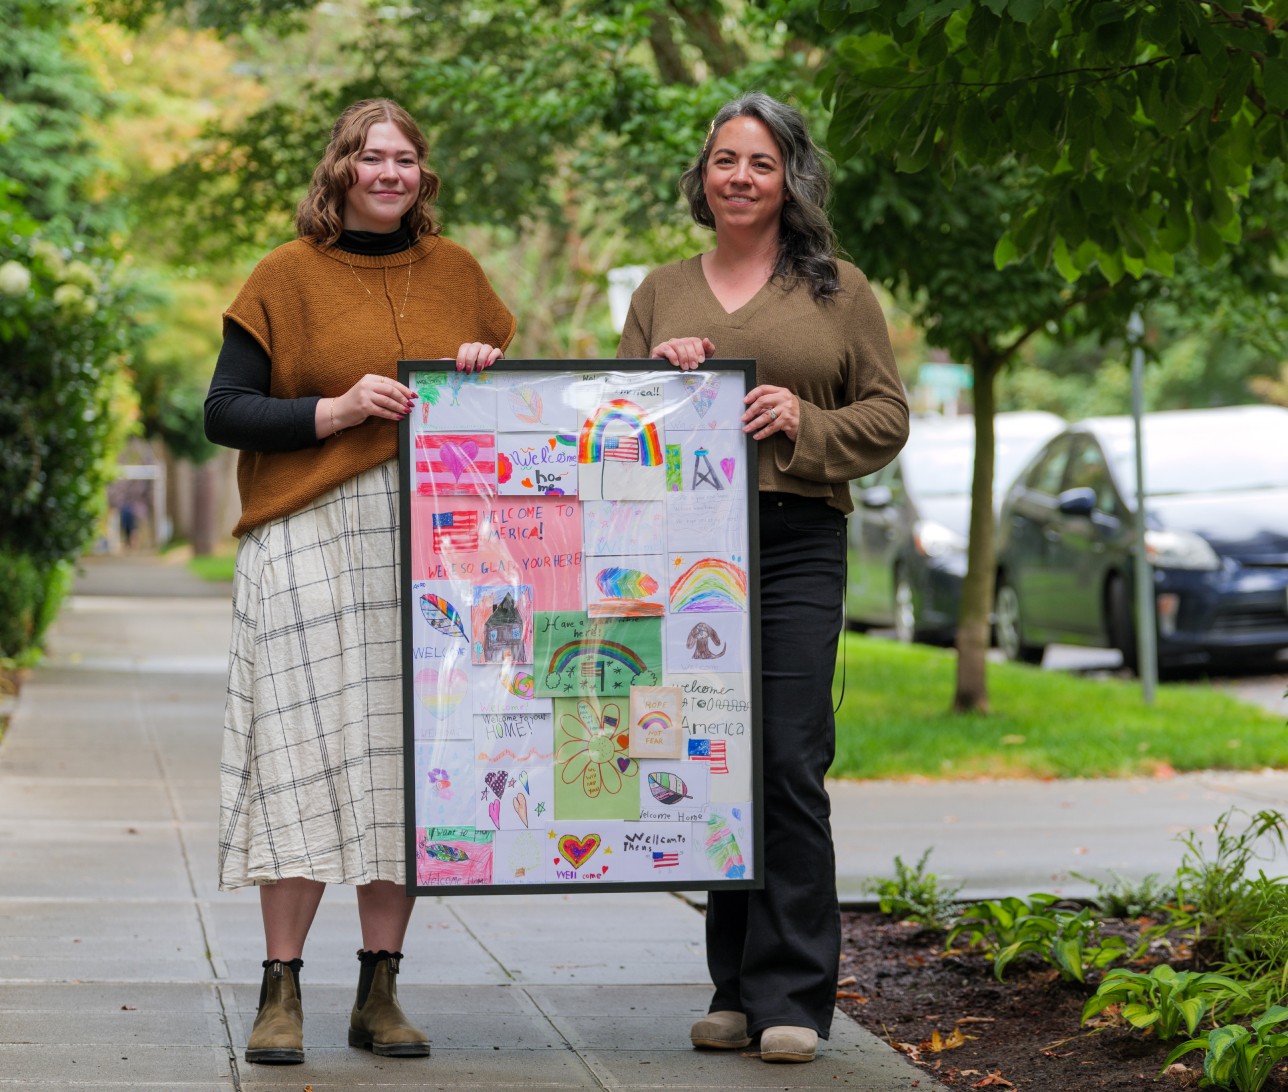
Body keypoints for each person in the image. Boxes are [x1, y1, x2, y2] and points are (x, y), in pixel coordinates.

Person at [204, 98, 514, 1066]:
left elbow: (517, 406)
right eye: (371, 156)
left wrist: (483, 369)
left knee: (405, 759)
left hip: (436, 541)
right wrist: (333, 411)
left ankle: (381, 987)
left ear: (423, 177)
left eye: (406, 158)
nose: (389, 171)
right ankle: (279, 991)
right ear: (339, 169)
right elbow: (225, 412)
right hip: (304, 536)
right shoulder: (283, 277)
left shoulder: (459, 272)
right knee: (297, 754)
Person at [616, 92, 908, 1064]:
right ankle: (731, 990)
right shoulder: (660, 291)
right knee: (710, 760)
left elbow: (886, 419)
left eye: (760, 163)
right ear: (701, 177)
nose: (739, 177)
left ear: (790, 179)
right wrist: (662, 380)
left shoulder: (839, 290)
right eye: (723, 160)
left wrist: (801, 421)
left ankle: (793, 996)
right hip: (687, 549)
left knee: (784, 759)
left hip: (791, 542)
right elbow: (612, 428)